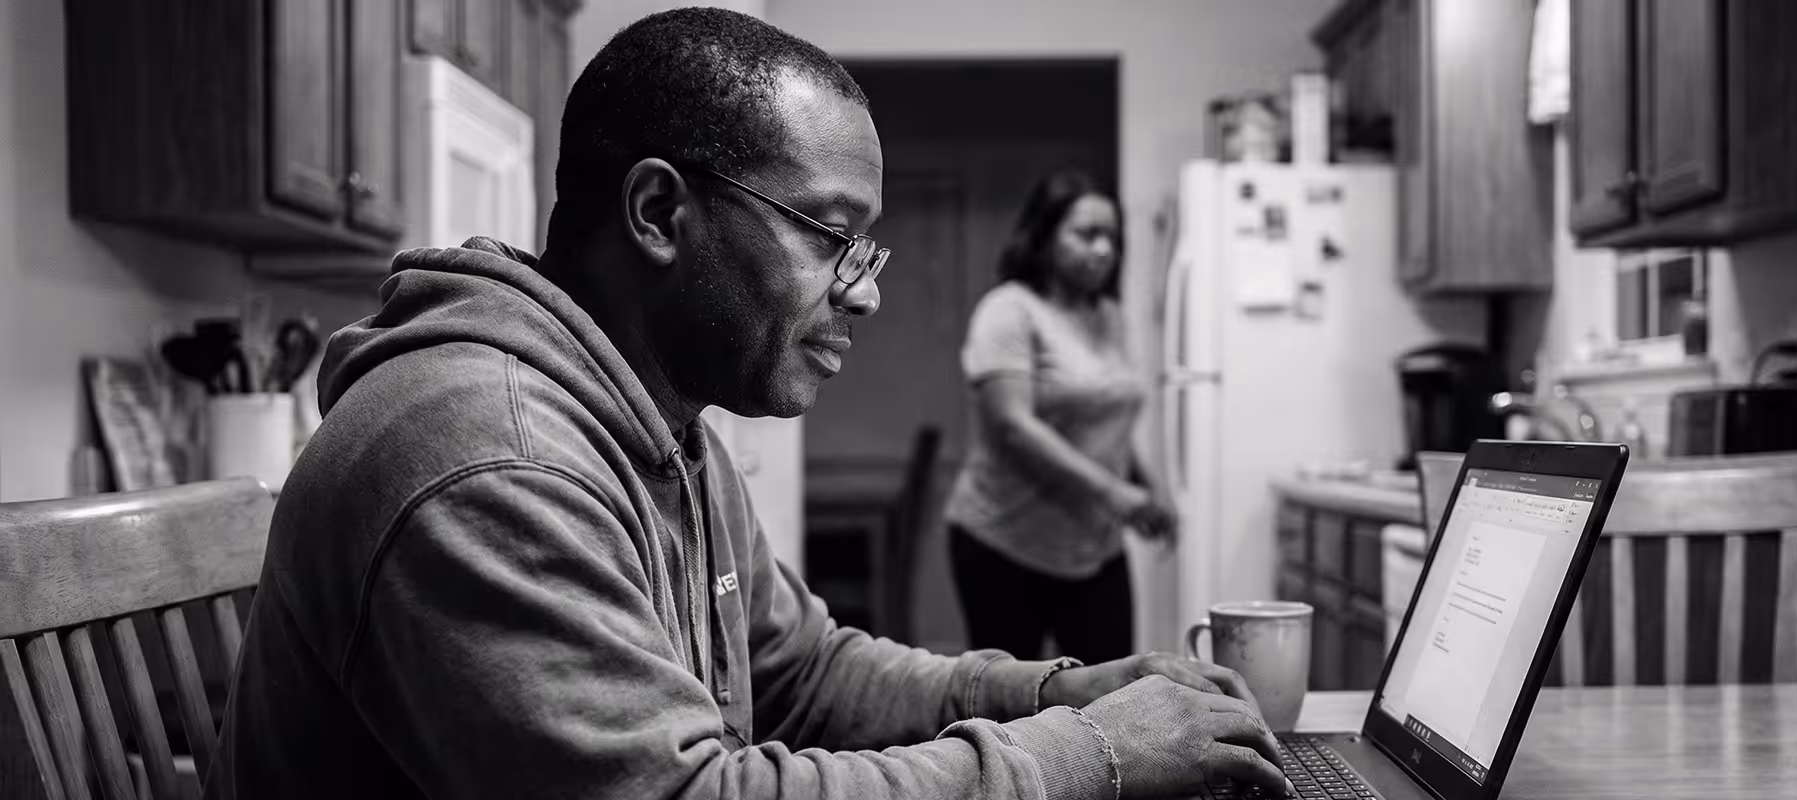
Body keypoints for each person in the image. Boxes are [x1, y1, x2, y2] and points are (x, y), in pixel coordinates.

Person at [206, 9, 1289, 800]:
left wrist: (1063, 692)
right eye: (829, 234)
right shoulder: (491, 459)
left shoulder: (657, 420)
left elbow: (803, 674)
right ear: (660, 211)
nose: (864, 288)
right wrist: (1092, 753)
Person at [945, 171, 1176, 665]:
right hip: (1005, 542)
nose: (1103, 250)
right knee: (1007, 704)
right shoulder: (1008, 310)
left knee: (1110, 695)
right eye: (1086, 234)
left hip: (1094, 546)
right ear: (1045, 236)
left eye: (1111, 238)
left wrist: (1149, 488)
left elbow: (1109, 418)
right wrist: (1117, 494)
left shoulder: (1109, 315)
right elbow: (1013, 426)